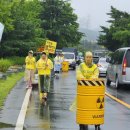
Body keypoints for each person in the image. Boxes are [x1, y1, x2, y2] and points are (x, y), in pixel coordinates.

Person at [70, 51, 99, 130]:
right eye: (87, 57)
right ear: (85, 58)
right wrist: (83, 79)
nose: (89, 59)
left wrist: (89, 80)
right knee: (82, 107)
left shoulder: (95, 67)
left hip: (92, 92)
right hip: (82, 91)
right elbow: (79, 74)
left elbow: (96, 75)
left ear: (92, 58)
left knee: (92, 107)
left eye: (90, 57)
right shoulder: (81, 66)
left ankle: (93, 122)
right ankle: (82, 122)